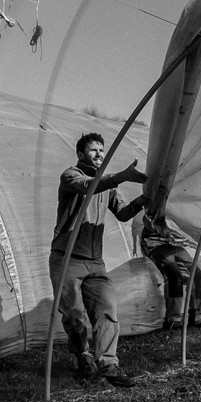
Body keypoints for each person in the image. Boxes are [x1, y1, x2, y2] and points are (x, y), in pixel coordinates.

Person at [51, 133, 146, 387]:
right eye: (93, 150)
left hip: (95, 261)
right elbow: (87, 187)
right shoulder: (71, 176)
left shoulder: (108, 186)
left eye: (102, 151)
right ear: (81, 154)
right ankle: (81, 354)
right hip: (67, 258)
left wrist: (144, 199)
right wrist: (119, 176)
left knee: (107, 310)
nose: (99, 155)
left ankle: (108, 364)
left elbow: (124, 214)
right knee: (73, 314)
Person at [141, 203, 201, 330]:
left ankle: (196, 317)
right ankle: (173, 319)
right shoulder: (157, 200)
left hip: (175, 245)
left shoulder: (184, 203)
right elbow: (148, 222)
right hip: (156, 244)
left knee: (197, 275)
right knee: (174, 276)